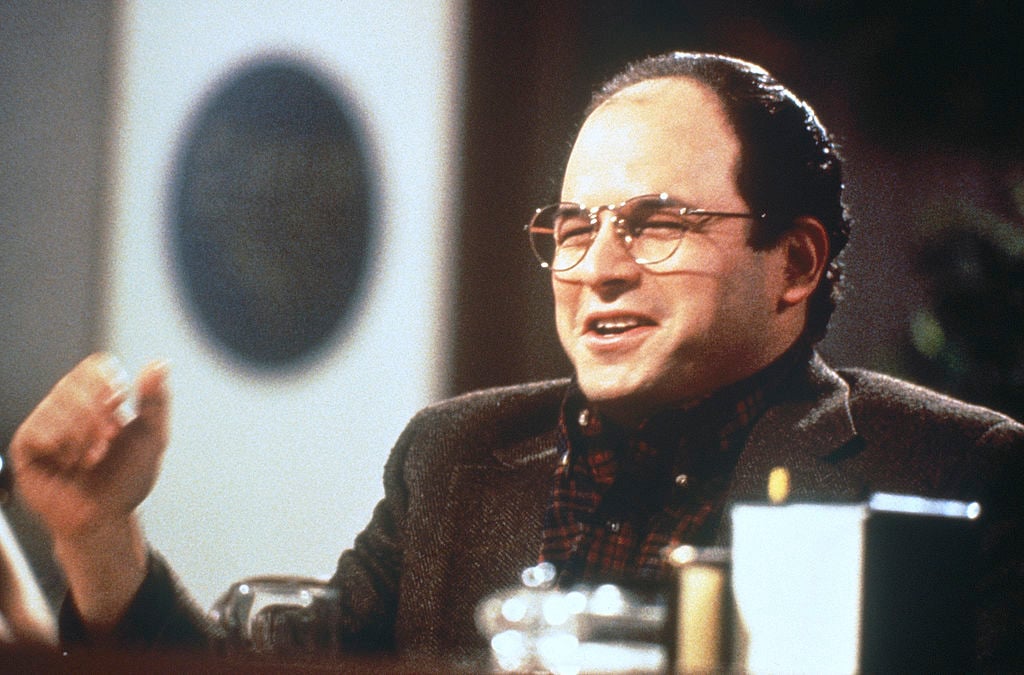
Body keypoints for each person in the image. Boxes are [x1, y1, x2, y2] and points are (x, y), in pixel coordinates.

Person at [9, 52, 1023, 669]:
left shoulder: (958, 472)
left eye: (657, 223)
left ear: (794, 263)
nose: (600, 269)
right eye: (574, 229)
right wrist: (98, 533)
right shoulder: (455, 455)